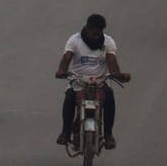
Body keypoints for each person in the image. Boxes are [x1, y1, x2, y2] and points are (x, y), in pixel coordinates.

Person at [55, 14, 130, 149]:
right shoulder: (75, 40)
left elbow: (112, 63)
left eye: (99, 32)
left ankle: (108, 135)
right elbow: (66, 58)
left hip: (99, 83)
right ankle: (65, 132)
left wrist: (119, 75)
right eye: (94, 32)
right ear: (87, 28)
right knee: (70, 97)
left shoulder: (108, 42)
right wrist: (61, 71)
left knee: (109, 96)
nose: (96, 35)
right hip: (78, 81)